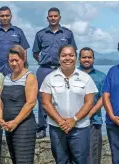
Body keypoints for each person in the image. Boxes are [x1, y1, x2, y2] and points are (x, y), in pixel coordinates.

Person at [40, 45, 97, 164]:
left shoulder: (86, 78)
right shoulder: (50, 78)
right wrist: (60, 121)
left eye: (71, 55)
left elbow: (89, 102)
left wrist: (74, 120)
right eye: (64, 55)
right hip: (57, 128)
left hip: (80, 128)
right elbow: (46, 102)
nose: (67, 58)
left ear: (76, 57)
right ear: (59, 58)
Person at [0, 45, 37, 164]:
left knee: (24, 161)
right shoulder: (6, 78)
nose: (14, 63)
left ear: (23, 59)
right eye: (11, 60)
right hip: (9, 126)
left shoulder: (29, 77)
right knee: (16, 160)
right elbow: (1, 100)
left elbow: (31, 103)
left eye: (16, 60)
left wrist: (15, 121)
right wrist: (1, 118)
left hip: (24, 126)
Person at [33, 7, 77, 139]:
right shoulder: (40, 34)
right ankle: (41, 128)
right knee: (42, 98)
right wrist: (44, 61)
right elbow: (35, 52)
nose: (53, 18)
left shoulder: (67, 34)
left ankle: (63, 124)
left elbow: (73, 51)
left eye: (55, 16)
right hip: (44, 69)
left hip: (62, 69)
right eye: (50, 16)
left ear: (59, 18)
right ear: (47, 18)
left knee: (63, 96)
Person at [74, 47, 106, 164]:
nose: (87, 60)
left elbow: (104, 98)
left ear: (93, 59)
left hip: (95, 119)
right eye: (84, 57)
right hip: (75, 119)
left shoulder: (101, 76)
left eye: (89, 57)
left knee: (93, 150)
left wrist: (91, 112)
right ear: (79, 59)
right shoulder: (73, 74)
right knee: (75, 150)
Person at [0, 6, 30, 76]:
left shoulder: (18, 31)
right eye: (2, 16)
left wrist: (24, 68)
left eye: (7, 15)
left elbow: (24, 51)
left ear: (11, 16)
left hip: (14, 70)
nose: (5, 18)